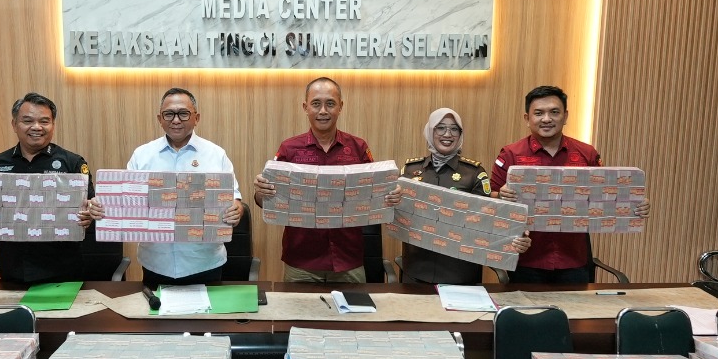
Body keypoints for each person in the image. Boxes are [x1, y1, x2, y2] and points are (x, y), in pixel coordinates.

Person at [0, 92, 105, 284]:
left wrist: (91, 213)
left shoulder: (72, 163)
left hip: (63, 273)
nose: (37, 127)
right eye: (28, 121)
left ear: (53, 125)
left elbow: (91, 207)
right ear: (14, 124)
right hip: (12, 272)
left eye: (44, 121)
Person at [252, 76, 399, 283]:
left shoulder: (358, 147)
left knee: (354, 306)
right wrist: (261, 192)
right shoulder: (289, 148)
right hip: (301, 261)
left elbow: (376, 195)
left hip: (348, 259)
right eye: (316, 104)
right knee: (297, 307)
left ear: (340, 107)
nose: (323, 111)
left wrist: (392, 195)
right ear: (305, 107)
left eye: (330, 103)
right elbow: (266, 201)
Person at [123, 87, 246, 287]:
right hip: (156, 263)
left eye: (183, 113)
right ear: (159, 119)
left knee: (207, 309)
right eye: (169, 114)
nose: (176, 120)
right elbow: (128, 201)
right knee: (157, 309)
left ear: (196, 118)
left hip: (204, 263)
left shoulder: (216, 155)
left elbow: (234, 199)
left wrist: (236, 210)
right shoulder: (142, 155)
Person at [398, 107, 529, 285]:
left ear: (460, 135)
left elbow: (488, 219)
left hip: (460, 272)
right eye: (440, 128)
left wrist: (516, 235)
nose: (447, 134)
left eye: (454, 129)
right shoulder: (410, 170)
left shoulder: (474, 173)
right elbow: (398, 213)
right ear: (430, 131)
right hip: (417, 268)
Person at [492, 85, 602, 284]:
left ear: (565, 116)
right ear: (527, 119)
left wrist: (634, 203)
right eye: (539, 113)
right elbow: (489, 200)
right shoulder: (510, 154)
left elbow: (603, 196)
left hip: (573, 259)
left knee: (575, 306)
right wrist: (500, 195)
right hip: (525, 260)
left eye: (554, 112)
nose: (546, 119)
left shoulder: (587, 154)